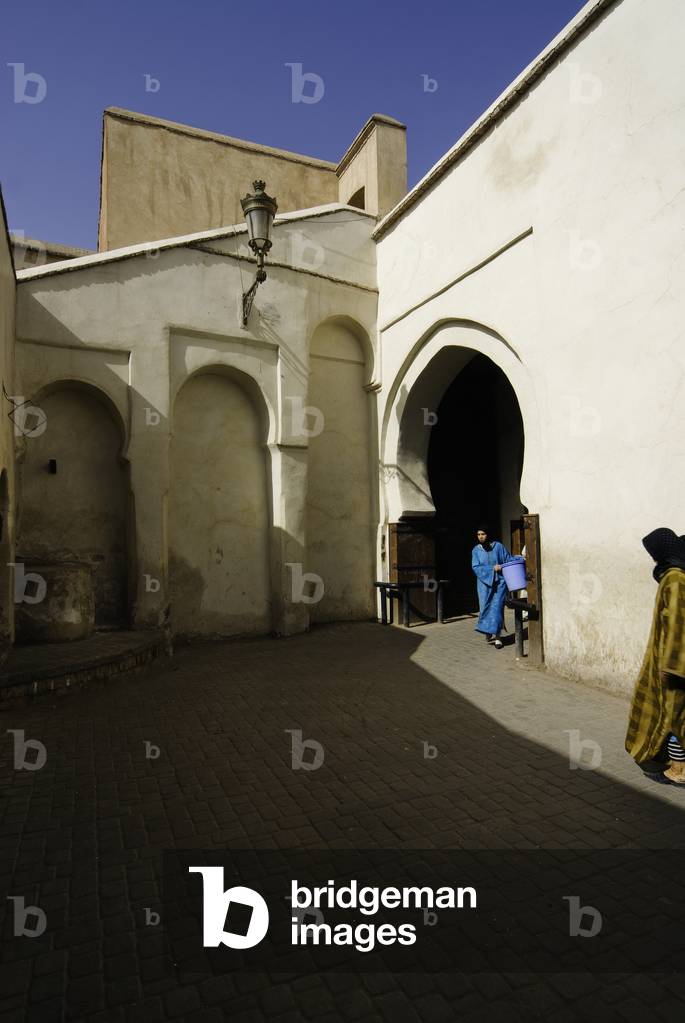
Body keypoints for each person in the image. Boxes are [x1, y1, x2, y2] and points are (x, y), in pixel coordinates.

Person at [625, 527, 685, 785]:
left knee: (675, 717)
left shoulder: (675, 579)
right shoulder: (675, 576)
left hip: (673, 664)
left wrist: (671, 666)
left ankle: (679, 771)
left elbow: (677, 624)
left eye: (654, 553)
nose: (653, 559)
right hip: (670, 661)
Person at [471, 527, 513, 649]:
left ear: (488, 534)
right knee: (485, 607)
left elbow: (508, 559)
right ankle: (488, 630)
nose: (480, 536)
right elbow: (476, 567)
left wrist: (519, 559)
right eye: (478, 534)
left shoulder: (498, 547)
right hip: (484, 585)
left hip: (499, 584)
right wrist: (491, 569)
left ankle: (498, 637)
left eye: (483, 534)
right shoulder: (476, 551)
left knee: (497, 608)